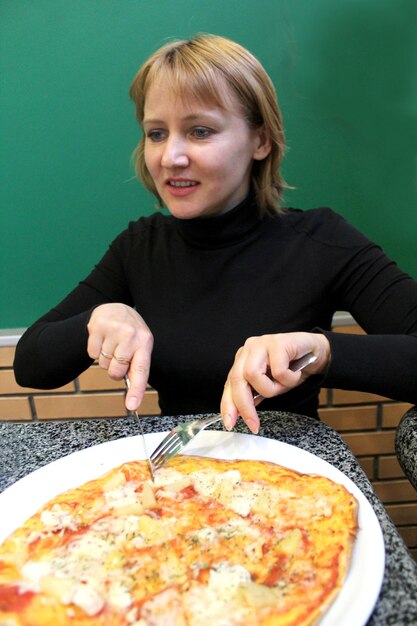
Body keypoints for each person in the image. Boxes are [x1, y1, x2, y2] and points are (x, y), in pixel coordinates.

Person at [14, 34, 417, 434]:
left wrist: (323, 351)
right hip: (178, 477)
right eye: (156, 133)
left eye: (200, 131)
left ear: (260, 140)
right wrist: (94, 319)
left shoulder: (322, 239)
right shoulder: (139, 247)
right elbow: (29, 366)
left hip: (289, 480)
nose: (170, 157)